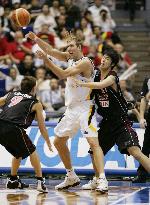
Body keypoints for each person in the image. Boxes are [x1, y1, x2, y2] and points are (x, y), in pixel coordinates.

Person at [25, 31, 108, 192]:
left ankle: (102, 179)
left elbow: (62, 74)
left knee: (93, 143)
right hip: (71, 109)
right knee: (58, 141)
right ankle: (71, 176)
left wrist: (46, 60)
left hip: (85, 107)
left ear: (79, 47)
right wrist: (36, 39)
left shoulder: (85, 62)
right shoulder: (70, 58)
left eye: (71, 45)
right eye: (67, 45)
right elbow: (51, 50)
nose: (68, 48)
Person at [75, 48, 150, 189]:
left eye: (107, 59)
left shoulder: (112, 76)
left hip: (121, 122)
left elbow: (101, 85)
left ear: (112, 64)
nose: (103, 59)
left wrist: (83, 84)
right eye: (103, 57)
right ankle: (97, 179)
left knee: (135, 152)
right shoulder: (95, 76)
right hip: (107, 122)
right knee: (94, 152)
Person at [0, 76, 52, 192]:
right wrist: (48, 142)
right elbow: (42, 127)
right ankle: (40, 181)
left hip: (1, 125)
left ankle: (13, 180)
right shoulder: (35, 103)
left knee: (18, 152)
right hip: (14, 128)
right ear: (34, 88)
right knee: (32, 150)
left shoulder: (11, 94)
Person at [132, 78, 150, 183]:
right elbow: (144, 99)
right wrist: (142, 117)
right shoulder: (147, 80)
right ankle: (142, 174)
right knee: (146, 146)